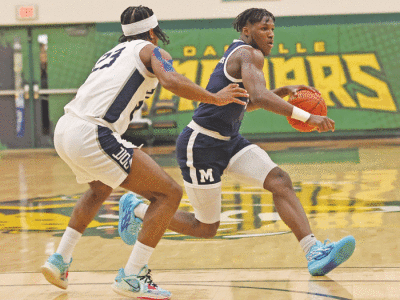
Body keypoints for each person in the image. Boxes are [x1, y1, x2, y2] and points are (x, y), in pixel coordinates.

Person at [118, 7, 356, 278]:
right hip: (201, 145)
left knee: (279, 180)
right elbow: (261, 97)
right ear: (246, 31)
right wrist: (308, 116)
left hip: (229, 142)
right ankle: (135, 208)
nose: (270, 35)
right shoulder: (247, 53)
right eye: (264, 29)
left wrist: (284, 91)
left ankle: (313, 251)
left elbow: (249, 102)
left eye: (272, 29)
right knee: (205, 227)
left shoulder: (242, 54)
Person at [40, 5, 248, 300]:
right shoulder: (152, 51)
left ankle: (59, 260)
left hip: (65, 129)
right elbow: (171, 80)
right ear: (153, 31)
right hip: (93, 131)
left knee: (98, 190)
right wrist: (214, 98)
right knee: (168, 194)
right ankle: (132, 275)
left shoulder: (111, 54)